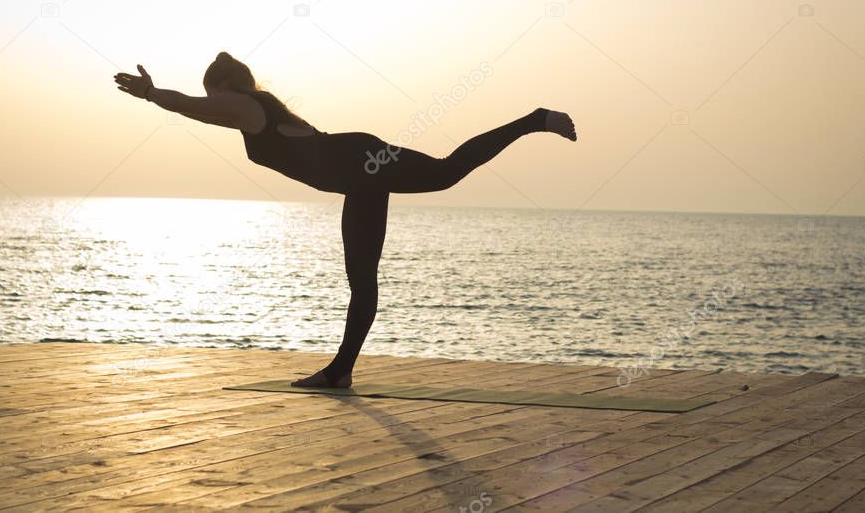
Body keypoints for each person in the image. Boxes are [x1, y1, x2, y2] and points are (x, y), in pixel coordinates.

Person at [114, 52, 577, 388]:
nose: (211, 100)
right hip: (360, 177)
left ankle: (534, 120)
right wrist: (161, 98)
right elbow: (198, 111)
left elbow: (189, 106)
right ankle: (341, 371)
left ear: (223, 86)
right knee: (363, 276)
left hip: (360, 160)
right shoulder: (254, 112)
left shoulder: (244, 104)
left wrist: (153, 93)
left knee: (444, 173)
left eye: (211, 91)